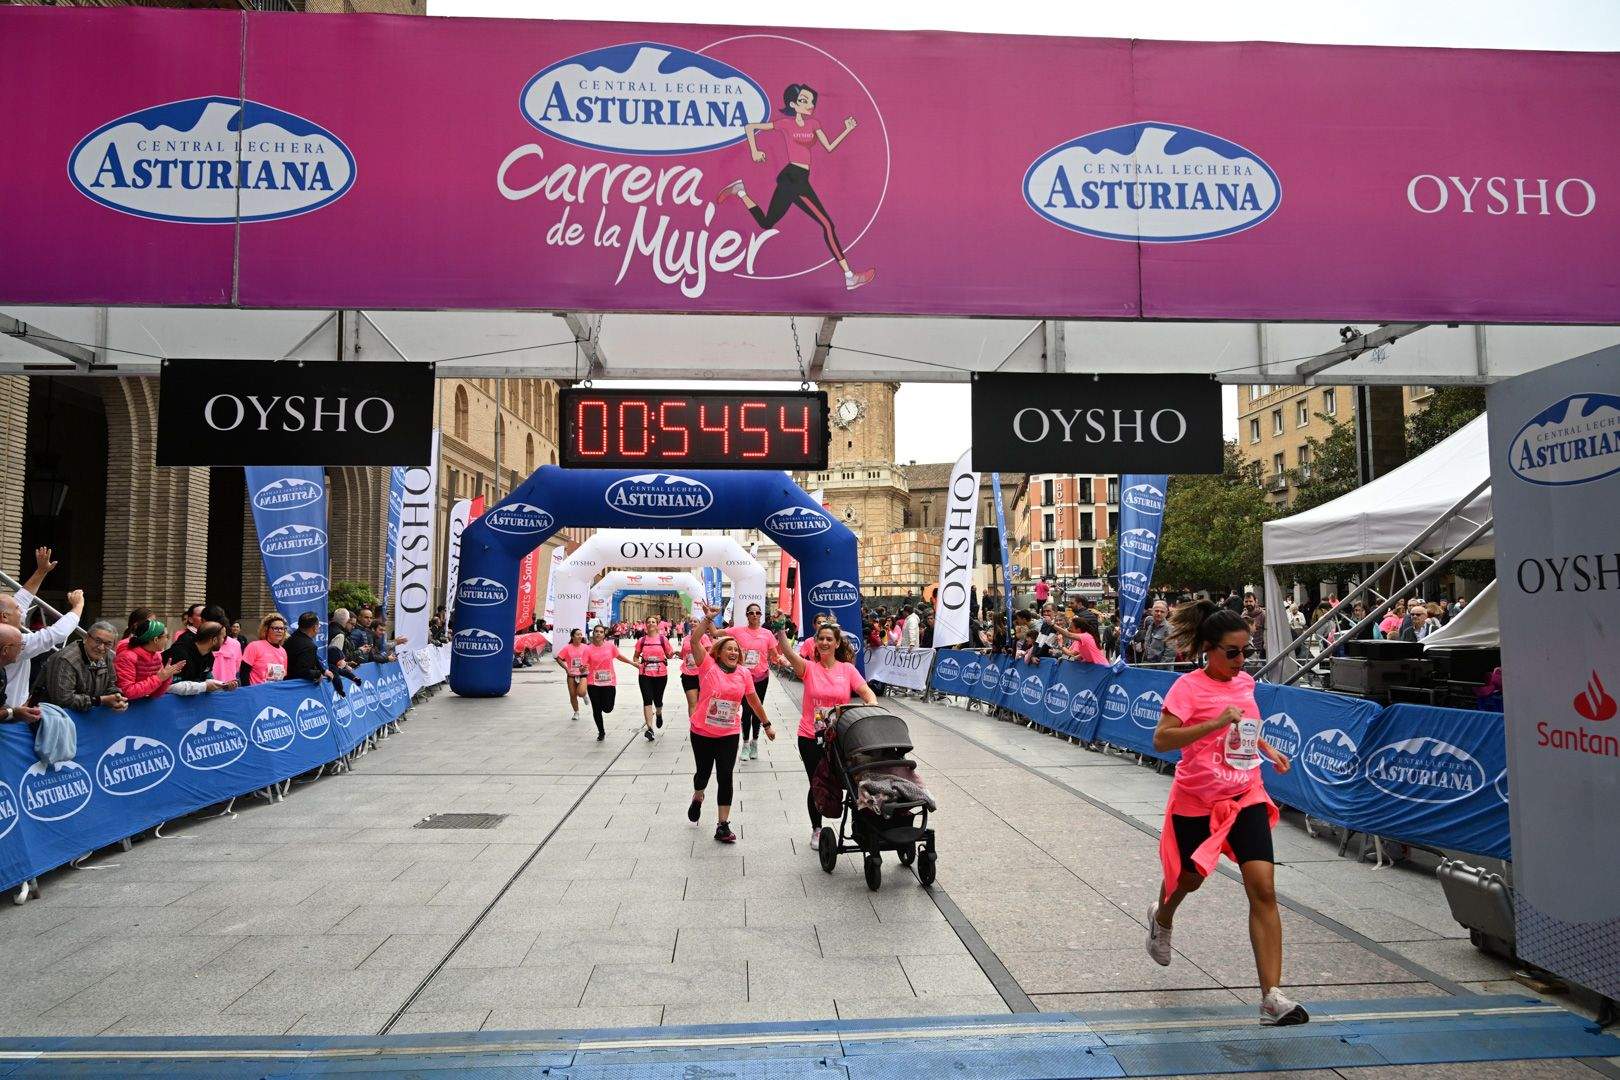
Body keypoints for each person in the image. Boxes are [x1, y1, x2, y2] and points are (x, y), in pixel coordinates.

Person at [1145, 600, 1306, 1027]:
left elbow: (1245, 732)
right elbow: (1163, 740)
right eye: (1232, 652)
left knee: (1264, 889)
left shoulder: (1246, 685)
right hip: (1197, 798)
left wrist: (1268, 750)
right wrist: (1216, 722)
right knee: (1190, 879)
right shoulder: (1187, 688)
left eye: (1245, 651)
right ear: (1209, 649)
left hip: (1244, 796)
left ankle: (1271, 998)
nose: (1241, 660)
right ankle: (1162, 917)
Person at [775, 619, 877, 851]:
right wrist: (781, 630)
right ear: (815, 643)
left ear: (837, 643)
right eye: (820, 638)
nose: (824, 642)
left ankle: (860, 823)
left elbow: (866, 692)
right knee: (817, 782)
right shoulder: (809, 668)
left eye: (829, 639)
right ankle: (817, 828)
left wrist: (871, 705)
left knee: (852, 782)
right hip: (811, 737)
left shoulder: (847, 670)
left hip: (840, 737)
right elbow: (789, 654)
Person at [685, 605, 774, 844]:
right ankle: (698, 795)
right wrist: (707, 619)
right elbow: (695, 642)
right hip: (702, 732)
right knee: (703, 774)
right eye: (729, 649)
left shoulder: (744, 674)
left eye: (736, 649)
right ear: (719, 652)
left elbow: (753, 700)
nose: (733, 652)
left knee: (725, 775)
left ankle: (722, 825)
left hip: (729, 733)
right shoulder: (707, 666)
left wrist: (766, 724)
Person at [0, 547, 84, 708]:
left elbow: (22, 599)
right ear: (4, 617)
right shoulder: (12, 642)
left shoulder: (7, 621)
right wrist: (78, 606)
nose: (22, 612)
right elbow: (56, 634)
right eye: (18, 610)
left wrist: (41, 571)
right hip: (9, 714)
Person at [727, 604, 780, 762]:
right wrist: (709, 618)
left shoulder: (767, 634)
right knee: (747, 712)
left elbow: (775, 655)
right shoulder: (737, 631)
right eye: (751, 613)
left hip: (761, 677)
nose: (755, 615)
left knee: (758, 709)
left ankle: (755, 742)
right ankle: (744, 744)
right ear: (747, 615)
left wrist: (783, 660)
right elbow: (716, 632)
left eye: (758, 613)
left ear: (761, 615)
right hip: (743, 677)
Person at [40, 620, 126, 713]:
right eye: (97, 641)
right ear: (86, 637)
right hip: (51, 716)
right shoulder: (66, 660)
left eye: (108, 644)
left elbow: (111, 684)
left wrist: (117, 697)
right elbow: (63, 699)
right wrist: (100, 700)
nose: (101, 647)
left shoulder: (107, 656)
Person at [581, 623, 636, 741]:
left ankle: (602, 706)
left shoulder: (610, 646)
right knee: (596, 709)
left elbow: (619, 656)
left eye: (601, 632)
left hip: (609, 682)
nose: (598, 634)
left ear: (604, 634)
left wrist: (632, 663)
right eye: (596, 631)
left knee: (608, 708)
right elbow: (583, 665)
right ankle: (601, 732)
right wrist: (583, 669)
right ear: (593, 633)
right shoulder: (587, 648)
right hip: (593, 683)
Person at [114, 620, 187, 701]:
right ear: (156, 640)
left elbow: (156, 694)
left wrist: (167, 676)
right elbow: (127, 692)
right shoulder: (127, 657)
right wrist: (159, 678)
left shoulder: (157, 656)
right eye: (167, 636)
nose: (167, 640)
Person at [633, 619, 674, 741]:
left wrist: (675, 653)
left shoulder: (663, 639)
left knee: (658, 699)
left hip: (660, 673)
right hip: (645, 673)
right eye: (649, 622)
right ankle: (650, 729)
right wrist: (637, 663)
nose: (651, 624)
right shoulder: (642, 640)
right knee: (647, 699)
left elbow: (669, 655)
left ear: (657, 625)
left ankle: (659, 713)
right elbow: (635, 656)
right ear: (646, 625)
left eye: (653, 622)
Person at [0, 625, 43, 726]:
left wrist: (20, 710)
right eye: (21, 645)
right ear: (5, 650)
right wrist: (14, 712)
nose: (22, 649)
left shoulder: (2, 671)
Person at [243, 613, 290, 685]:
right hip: (256, 693)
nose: (280, 631)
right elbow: (243, 673)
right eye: (276, 628)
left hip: (274, 693)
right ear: (266, 629)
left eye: (282, 628)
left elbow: (283, 676)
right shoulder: (254, 646)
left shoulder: (283, 651)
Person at [285, 611, 331, 684]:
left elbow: (314, 658)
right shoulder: (309, 646)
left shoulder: (291, 638)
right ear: (315, 627)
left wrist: (323, 671)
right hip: (295, 687)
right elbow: (302, 671)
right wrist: (317, 674)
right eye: (319, 626)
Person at [554, 628, 589, 722]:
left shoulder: (586, 647)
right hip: (571, 674)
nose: (580, 636)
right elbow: (558, 658)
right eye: (577, 634)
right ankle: (576, 712)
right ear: (572, 636)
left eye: (581, 634)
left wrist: (587, 666)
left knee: (580, 692)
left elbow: (591, 658)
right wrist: (566, 669)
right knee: (572, 695)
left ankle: (584, 694)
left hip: (583, 673)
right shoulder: (567, 648)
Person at [679, 622, 713, 714]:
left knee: (703, 703)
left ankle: (702, 726)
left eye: (695, 621)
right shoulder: (686, 638)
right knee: (692, 703)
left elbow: (709, 652)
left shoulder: (704, 637)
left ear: (699, 624)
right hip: (688, 674)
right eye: (691, 621)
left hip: (702, 675)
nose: (692, 623)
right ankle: (693, 727)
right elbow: (683, 654)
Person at [203, 605, 242, 684]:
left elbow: (237, 667)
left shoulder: (235, 644)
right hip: (207, 689)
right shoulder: (201, 643)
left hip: (226, 689)